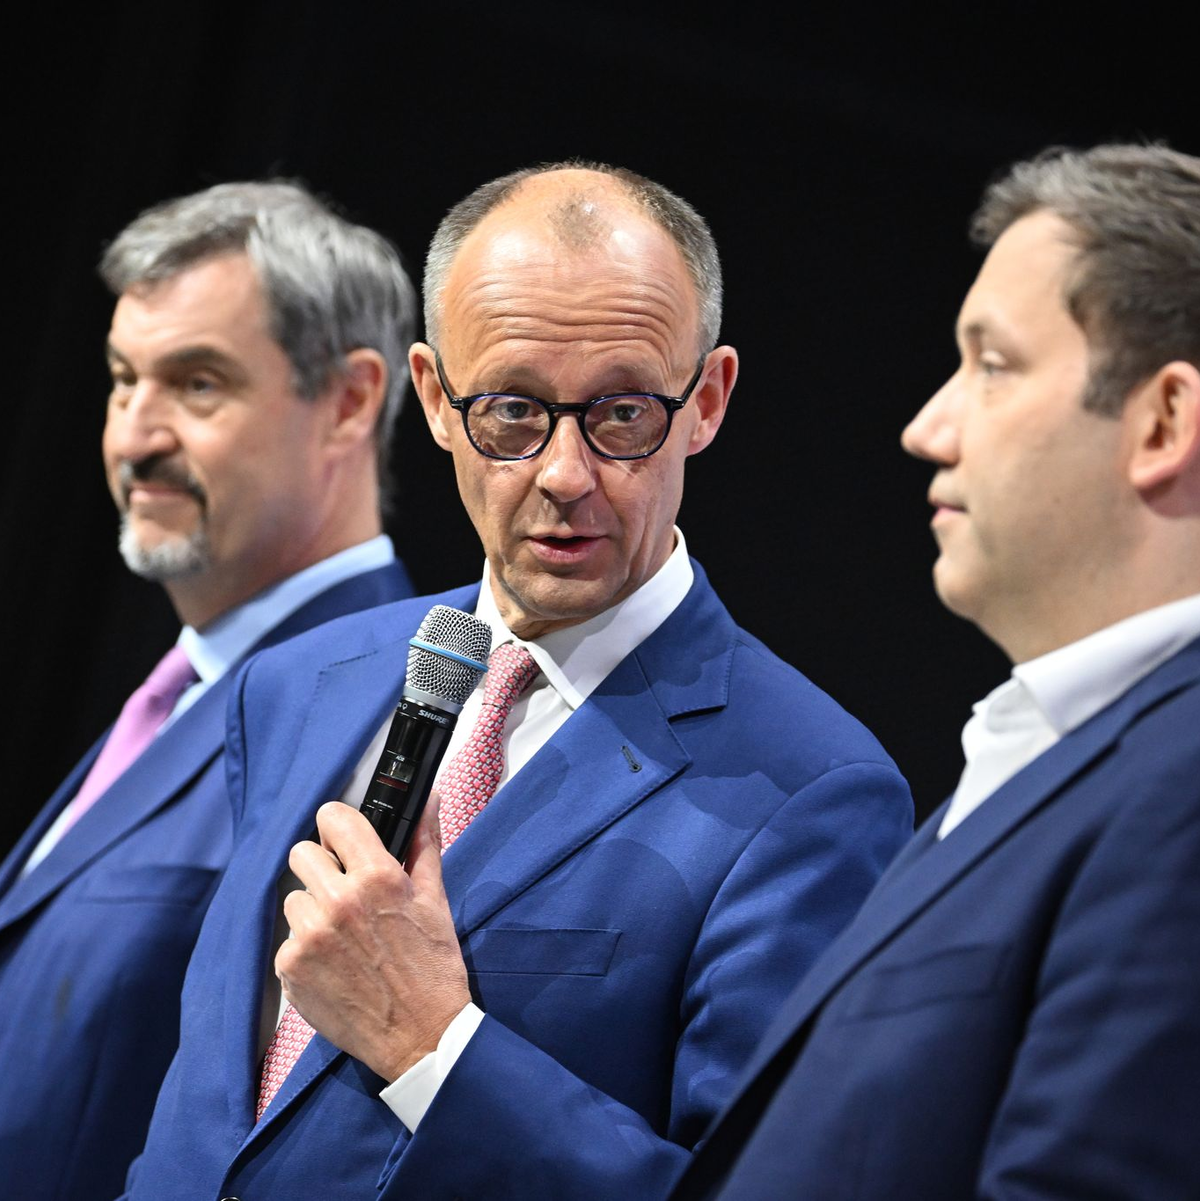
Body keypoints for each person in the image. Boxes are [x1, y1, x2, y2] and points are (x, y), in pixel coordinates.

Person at [125, 161, 913, 1199]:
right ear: (434, 398)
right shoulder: (295, 684)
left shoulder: (813, 789)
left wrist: (435, 1046)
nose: (565, 473)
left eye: (625, 413)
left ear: (708, 400)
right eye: (510, 411)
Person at [671, 143, 1200, 1201]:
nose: (926, 428)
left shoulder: (1181, 792)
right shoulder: (1057, 751)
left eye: (992, 363)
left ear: (1162, 422)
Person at [0, 181, 419, 1200]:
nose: (132, 438)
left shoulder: (393, 715)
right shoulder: (183, 686)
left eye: (195, 385)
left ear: (351, 400)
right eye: (119, 381)